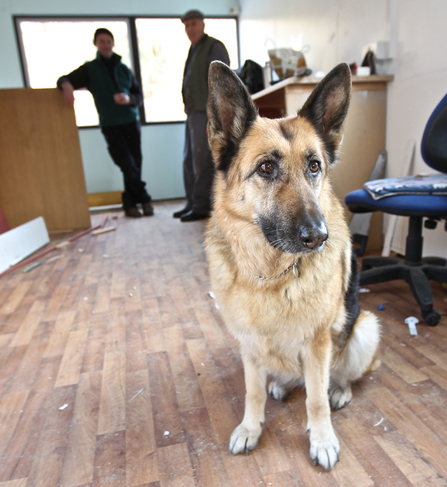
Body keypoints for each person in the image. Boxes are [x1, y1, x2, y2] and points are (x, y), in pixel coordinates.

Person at [57, 28, 153, 218]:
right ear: (96, 44)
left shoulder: (124, 68)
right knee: (127, 164)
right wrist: (67, 86)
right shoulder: (90, 69)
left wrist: (128, 99)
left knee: (135, 163)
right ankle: (144, 197)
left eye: (108, 41)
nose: (105, 44)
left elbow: (139, 96)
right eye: (101, 41)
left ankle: (130, 205)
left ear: (113, 43)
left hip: (131, 121)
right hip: (111, 125)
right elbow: (64, 79)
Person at [173, 10, 230, 222]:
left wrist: (214, 117)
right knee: (189, 160)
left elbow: (221, 83)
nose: (190, 29)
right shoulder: (193, 49)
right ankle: (191, 202)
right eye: (187, 25)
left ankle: (201, 206)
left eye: (193, 24)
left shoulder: (214, 47)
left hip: (206, 113)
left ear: (203, 25)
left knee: (202, 160)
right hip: (192, 113)